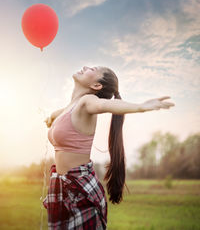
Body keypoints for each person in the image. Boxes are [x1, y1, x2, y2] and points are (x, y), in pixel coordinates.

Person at [43, 65, 175, 229]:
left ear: (96, 86)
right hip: (61, 186)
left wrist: (140, 107)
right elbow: (55, 116)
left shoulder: (88, 102)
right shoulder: (68, 108)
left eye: (93, 68)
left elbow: (104, 105)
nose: (85, 67)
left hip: (79, 188)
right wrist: (50, 119)